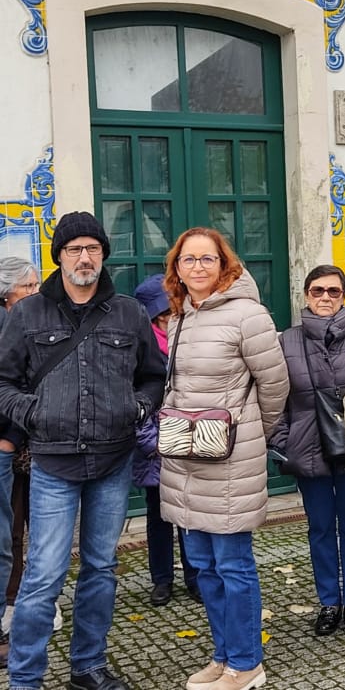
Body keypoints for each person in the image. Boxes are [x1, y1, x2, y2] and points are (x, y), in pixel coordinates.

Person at [0, 212, 165, 690]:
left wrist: (138, 408)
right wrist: (33, 414)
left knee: (101, 567)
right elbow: (3, 380)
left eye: (93, 248)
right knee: (44, 574)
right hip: (54, 462)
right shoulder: (27, 313)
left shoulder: (129, 312)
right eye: (74, 249)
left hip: (113, 461)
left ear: (103, 255)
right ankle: (26, 677)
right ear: (60, 256)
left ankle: (87, 666)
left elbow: (154, 375)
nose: (84, 257)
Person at [159, 227, 288, 690]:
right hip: (186, 457)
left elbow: (275, 387)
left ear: (223, 264)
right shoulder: (179, 318)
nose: (197, 267)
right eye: (187, 260)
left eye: (206, 259)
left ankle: (248, 664)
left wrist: (252, 432)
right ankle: (223, 656)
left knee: (233, 565)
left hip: (231, 459)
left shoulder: (247, 316)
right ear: (176, 268)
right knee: (202, 564)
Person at [268, 265, 345, 640]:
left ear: (344, 295)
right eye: (318, 291)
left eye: (333, 291)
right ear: (306, 295)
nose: (325, 298)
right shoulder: (288, 340)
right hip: (307, 448)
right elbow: (273, 396)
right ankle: (329, 602)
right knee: (319, 529)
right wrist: (282, 441)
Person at [131, 274, 200, 607]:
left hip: (189, 446)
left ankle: (195, 576)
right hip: (155, 450)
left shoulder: (190, 338)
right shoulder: (138, 349)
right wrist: (153, 444)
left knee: (190, 517)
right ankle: (161, 579)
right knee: (158, 519)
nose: (167, 318)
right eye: (160, 314)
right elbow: (135, 401)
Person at [0, 257, 40, 667]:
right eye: (28, 286)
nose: (34, 292)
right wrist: (10, 439)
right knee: (6, 535)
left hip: (21, 449)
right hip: (10, 446)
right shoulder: (6, 325)